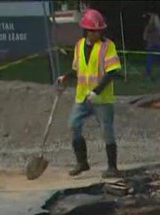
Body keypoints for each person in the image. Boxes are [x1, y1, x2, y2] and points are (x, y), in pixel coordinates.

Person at [55, 8, 122, 178]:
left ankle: (112, 166)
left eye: (99, 31)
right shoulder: (79, 46)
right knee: (73, 125)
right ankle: (82, 162)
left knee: (107, 131)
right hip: (82, 97)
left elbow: (112, 72)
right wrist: (66, 77)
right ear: (87, 30)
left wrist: (97, 91)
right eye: (93, 31)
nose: (96, 34)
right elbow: (78, 69)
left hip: (102, 98)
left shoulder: (108, 46)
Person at [143, 12, 160, 82]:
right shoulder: (159, 27)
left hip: (150, 45)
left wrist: (149, 38)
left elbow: (144, 37)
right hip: (159, 45)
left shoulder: (148, 27)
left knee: (149, 61)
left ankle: (148, 75)